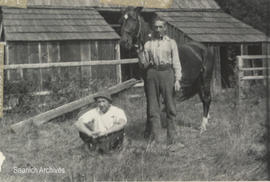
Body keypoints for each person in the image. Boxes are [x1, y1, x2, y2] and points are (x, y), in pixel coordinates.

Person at [137, 17, 184, 150]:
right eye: (155, 27)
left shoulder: (171, 43)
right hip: (152, 74)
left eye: (160, 27)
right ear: (153, 28)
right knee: (153, 108)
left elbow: (176, 62)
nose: (158, 29)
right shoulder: (148, 44)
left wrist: (177, 79)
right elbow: (144, 65)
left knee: (170, 107)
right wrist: (140, 54)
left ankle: (172, 140)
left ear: (165, 28)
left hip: (167, 73)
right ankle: (157, 141)